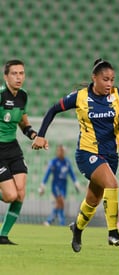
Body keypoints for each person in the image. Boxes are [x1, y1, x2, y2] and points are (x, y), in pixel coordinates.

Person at [32, 58, 119, 253]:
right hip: (87, 153)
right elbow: (54, 109)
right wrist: (40, 135)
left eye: (112, 80)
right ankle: (113, 233)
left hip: (111, 156)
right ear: (94, 78)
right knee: (112, 185)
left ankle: (77, 229)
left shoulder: (117, 95)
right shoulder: (79, 97)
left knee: (93, 199)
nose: (109, 84)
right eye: (105, 79)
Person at [0, 59, 38, 245]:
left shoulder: (23, 96)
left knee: (20, 193)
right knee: (9, 196)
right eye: (14, 73)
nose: (18, 77)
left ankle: (3, 235)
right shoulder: (0, 95)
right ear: (5, 76)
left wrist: (33, 134)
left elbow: (23, 122)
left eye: (21, 73)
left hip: (13, 148)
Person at [38, 144, 81, 226]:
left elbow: (72, 174)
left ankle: (56, 222)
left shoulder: (67, 162)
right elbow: (47, 174)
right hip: (56, 185)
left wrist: (76, 183)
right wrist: (42, 185)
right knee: (61, 201)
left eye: (62, 151)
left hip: (64, 186)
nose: (60, 152)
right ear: (57, 152)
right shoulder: (53, 162)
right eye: (59, 151)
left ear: (64, 152)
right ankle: (53, 221)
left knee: (60, 204)